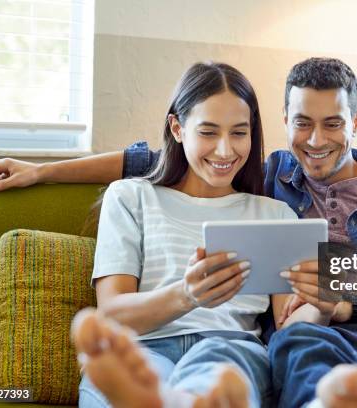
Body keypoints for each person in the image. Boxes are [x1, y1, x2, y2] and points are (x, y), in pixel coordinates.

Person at [0, 58, 357, 408]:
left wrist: (344, 302)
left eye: (333, 123)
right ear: (284, 121)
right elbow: (152, 161)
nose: (316, 140)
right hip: (304, 343)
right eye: (303, 123)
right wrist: (44, 170)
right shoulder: (265, 177)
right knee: (299, 342)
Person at [69, 61, 328, 408]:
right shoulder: (130, 197)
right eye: (208, 132)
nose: (225, 150)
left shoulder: (274, 214)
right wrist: (187, 294)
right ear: (177, 128)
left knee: (216, 368)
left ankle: (181, 400)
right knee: (132, 373)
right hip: (142, 348)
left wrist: (322, 307)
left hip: (229, 348)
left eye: (239, 132)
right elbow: (112, 315)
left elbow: (288, 323)